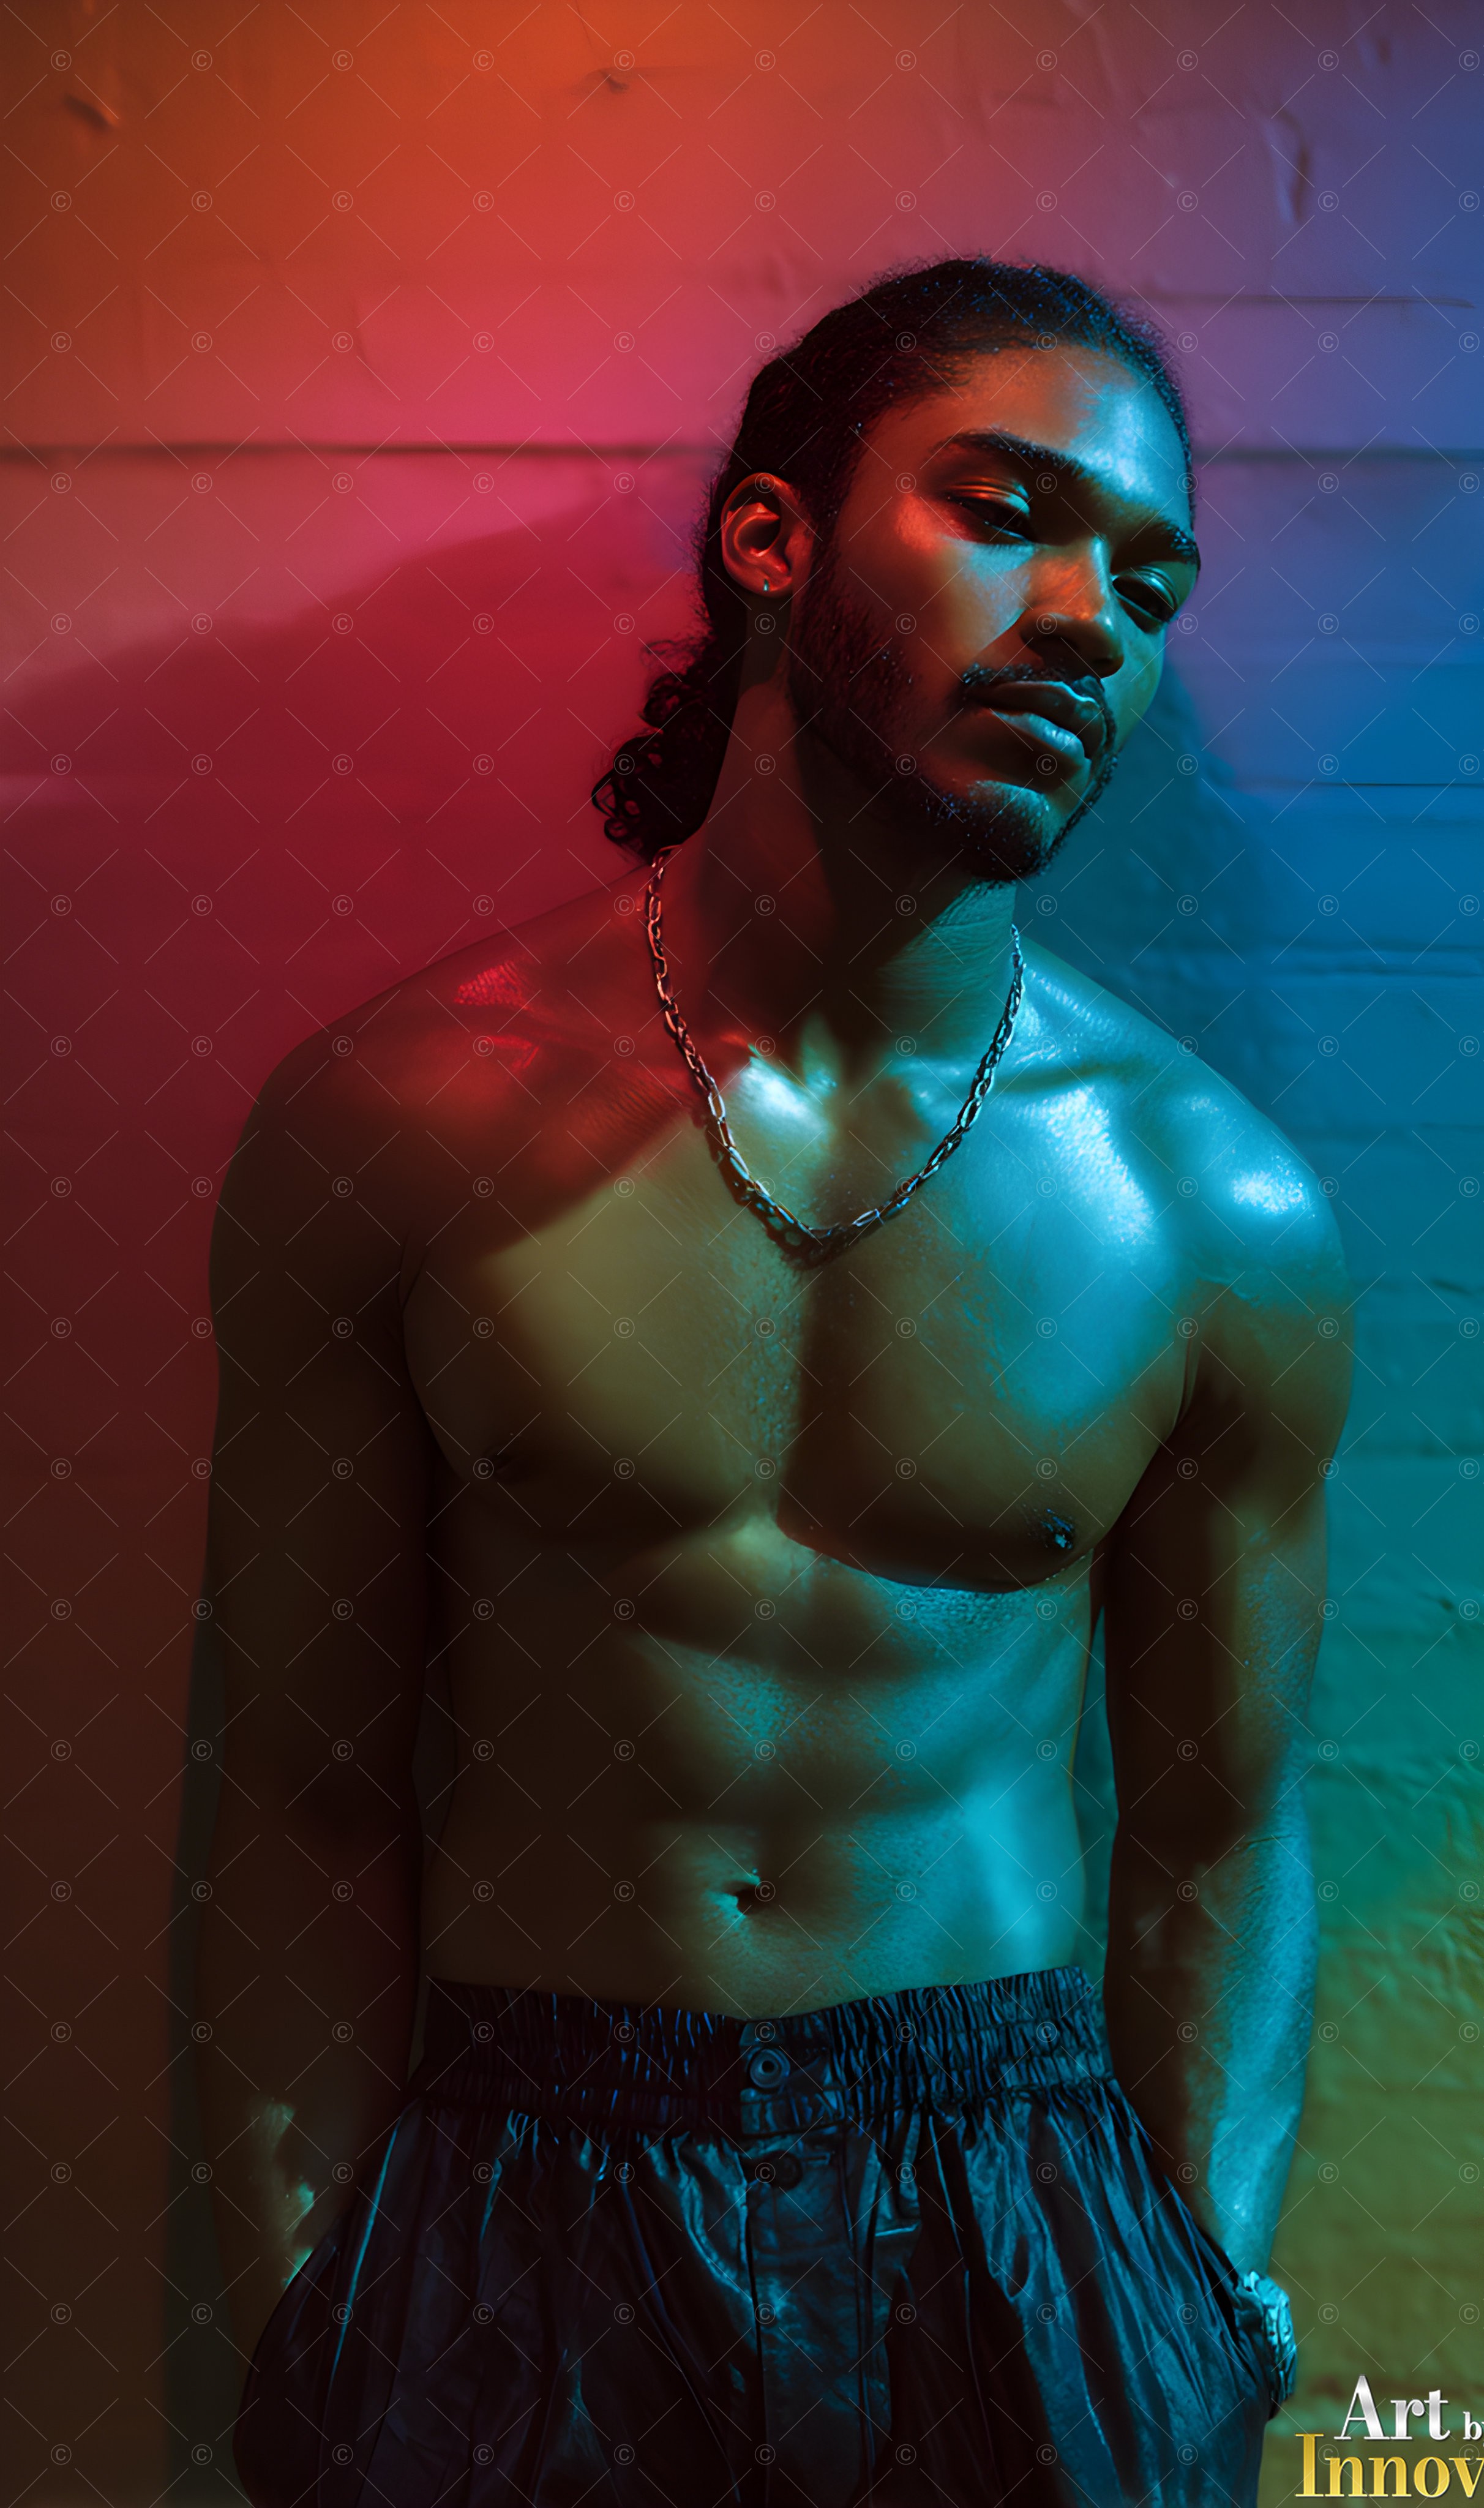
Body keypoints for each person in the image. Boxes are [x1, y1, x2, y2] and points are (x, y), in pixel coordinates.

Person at [200, 257, 1351, 2508]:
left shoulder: (1208, 1212)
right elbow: (302, 1796)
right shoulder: (399, 1130)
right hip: (521, 2174)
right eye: (1002, 511)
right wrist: (308, 2300)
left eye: (1147, 582)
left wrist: (1204, 2307)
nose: (1086, 616)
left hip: (1007, 2187)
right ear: (770, 538)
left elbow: (1223, 1828)